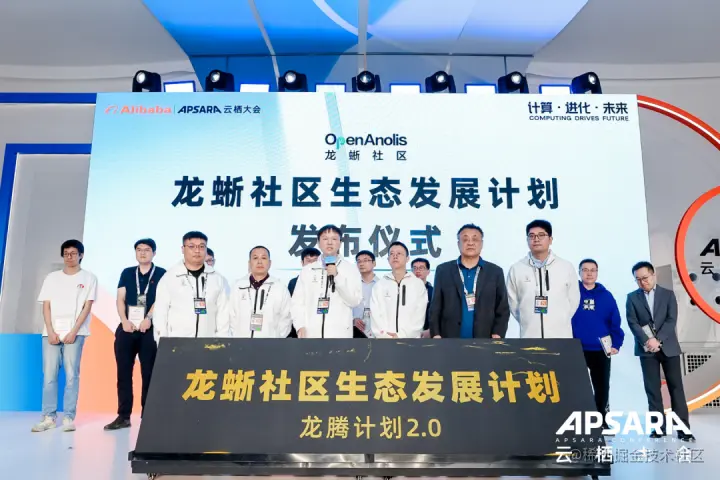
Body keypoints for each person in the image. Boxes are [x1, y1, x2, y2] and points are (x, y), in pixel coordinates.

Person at [32, 240, 97, 433]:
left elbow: (87, 307)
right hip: (51, 334)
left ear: (81, 255)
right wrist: (50, 330)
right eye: (66, 253)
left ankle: (68, 417)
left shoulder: (89, 278)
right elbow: (46, 306)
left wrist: (74, 331)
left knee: (71, 376)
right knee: (49, 376)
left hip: (75, 333)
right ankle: (48, 417)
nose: (69, 257)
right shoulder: (51, 278)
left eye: (73, 253)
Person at [626, 261, 695, 441]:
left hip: (669, 348)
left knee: (676, 389)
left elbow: (671, 320)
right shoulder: (632, 298)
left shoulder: (668, 294)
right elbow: (632, 322)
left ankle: (683, 430)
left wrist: (658, 339)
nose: (642, 282)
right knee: (652, 390)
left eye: (645, 278)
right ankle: (658, 428)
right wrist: (647, 340)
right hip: (646, 349)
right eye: (638, 279)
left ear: (653, 275)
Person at [104, 239, 166, 431]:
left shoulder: (162, 274)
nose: (142, 253)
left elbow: (161, 300)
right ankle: (123, 416)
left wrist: (149, 318)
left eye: (147, 250)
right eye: (139, 250)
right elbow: (120, 299)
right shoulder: (127, 273)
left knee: (149, 374)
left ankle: (149, 416)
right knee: (123, 373)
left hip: (149, 329)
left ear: (154, 253)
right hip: (127, 328)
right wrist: (124, 320)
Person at [430, 224, 509, 339]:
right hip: (449, 339)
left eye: (475, 239)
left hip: (485, 339)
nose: (470, 243)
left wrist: (498, 333)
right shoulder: (443, 270)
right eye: (465, 239)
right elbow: (435, 306)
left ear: (481, 244)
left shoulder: (495, 272)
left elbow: (502, 307)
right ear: (458, 244)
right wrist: (435, 333)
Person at [570, 259, 624, 422]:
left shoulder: (606, 296)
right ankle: (579, 420)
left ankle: (601, 420)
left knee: (602, 387)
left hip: (600, 349)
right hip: (576, 348)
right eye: (585, 270)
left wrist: (616, 344)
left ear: (597, 273)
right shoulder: (572, 293)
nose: (589, 273)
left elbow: (615, 322)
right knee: (576, 387)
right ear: (579, 272)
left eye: (593, 270)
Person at [507, 220, 579, 338]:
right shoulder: (517, 269)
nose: (536, 239)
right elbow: (513, 304)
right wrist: (528, 320)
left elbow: (573, 300)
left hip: (560, 336)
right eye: (531, 236)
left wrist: (560, 319)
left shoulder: (565, 267)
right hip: (529, 336)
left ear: (550, 239)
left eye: (541, 235)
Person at [153, 231, 229, 341]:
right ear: (182, 249)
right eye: (192, 246)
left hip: (209, 344)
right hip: (177, 344)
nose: (197, 250)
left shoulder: (218, 279)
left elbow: (224, 315)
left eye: (201, 246)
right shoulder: (169, 278)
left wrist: (222, 343)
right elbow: (160, 314)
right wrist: (163, 344)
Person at [291, 225, 362, 338]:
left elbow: (354, 301)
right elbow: (297, 302)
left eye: (334, 239)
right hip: (311, 335)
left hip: (339, 335)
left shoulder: (350, 269)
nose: (329, 242)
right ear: (318, 243)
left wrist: (337, 277)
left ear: (340, 243)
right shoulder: (308, 270)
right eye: (325, 239)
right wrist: (300, 326)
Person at [217, 246, 292, 338]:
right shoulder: (238, 286)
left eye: (263, 258)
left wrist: (276, 338)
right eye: (255, 258)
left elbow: (286, 318)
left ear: (270, 263)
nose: (259, 262)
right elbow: (231, 315)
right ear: (249, 263)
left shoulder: (280, 288)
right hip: (242, 343)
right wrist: (238, 336)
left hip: (271, 343)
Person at [370, 242, 427, 338]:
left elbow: (419, 316)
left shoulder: (417, 284)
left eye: (399, 253)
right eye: (392, 254)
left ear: (407, 258)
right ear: (388, 259)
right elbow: (375, 314)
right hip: (384, 341)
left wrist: (401, 335)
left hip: (410, 341)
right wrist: (385, 336)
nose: (395, 256)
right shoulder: (379, 285)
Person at [287, 247, 320, 338]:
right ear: (302, 263)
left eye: (315, 261)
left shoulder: (324, 281)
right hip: (300, 330)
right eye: (308, 260)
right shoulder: (293, 282)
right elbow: (292, 307)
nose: (312, 264)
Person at [352, 250, 378, 338]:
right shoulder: (352, 285)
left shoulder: (382, 284)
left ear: (374, 263)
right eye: (359, 261)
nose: (361, 264)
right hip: (355, 329)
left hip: (377, 330)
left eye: (365, 260)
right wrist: (353, 319)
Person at [411, 258, 433, 338]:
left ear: (428, 271)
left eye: (421, 268)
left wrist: (432, 330)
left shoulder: (433, 292)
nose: (417, 271)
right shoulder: (405, 290)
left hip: (427, 332)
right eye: (415, 268)